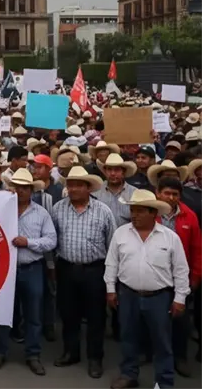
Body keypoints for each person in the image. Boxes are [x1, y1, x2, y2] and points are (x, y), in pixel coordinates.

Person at [105, 189, 190, 389]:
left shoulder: (170, 237)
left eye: (140, 211)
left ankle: (163, 382)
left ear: (153, 213)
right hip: (128, 294)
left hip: (159, 297)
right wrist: (110, 289)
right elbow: (111, 263)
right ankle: (129, 374)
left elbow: (181, 270)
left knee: (162, 341)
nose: (134, 215)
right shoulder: (121, 233)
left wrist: (180, 298)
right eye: (132, 210)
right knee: (128, 337)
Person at [0, 168, 57, 375]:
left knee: (33, 314)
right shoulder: (1, 209)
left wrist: (29, 243)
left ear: (31, 190)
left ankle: (33, 354)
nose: (20, 191)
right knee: (2, 313)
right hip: (5, 270)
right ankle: (0, 352)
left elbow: (51, 240)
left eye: (25, 188)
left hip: (32, 267)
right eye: (17, 187)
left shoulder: (41, 213)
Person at [50, 166, 115, 379]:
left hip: (94, 270)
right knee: (69, 314)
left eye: (79, 185)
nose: (74, 189)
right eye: (70, 185)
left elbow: (112, 245)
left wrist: (111, 276)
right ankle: (71, 352)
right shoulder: (58, 209)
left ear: (88, 188)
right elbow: (52, 239)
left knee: (96, 316)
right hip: (66, 268)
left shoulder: (103, 211)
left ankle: (95, 358)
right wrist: (52, 267)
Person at [155, 176, 202, 376]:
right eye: (167, 193)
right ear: (158, 193)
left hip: (180, 277)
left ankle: (180, 357)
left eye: (175, 194)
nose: (171, 197)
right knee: (153, 318)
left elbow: (197, 248)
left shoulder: (189, 216)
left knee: (180, 320)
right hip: (154, 276)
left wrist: (196, 277)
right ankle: (150, 354)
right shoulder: (150, 213)